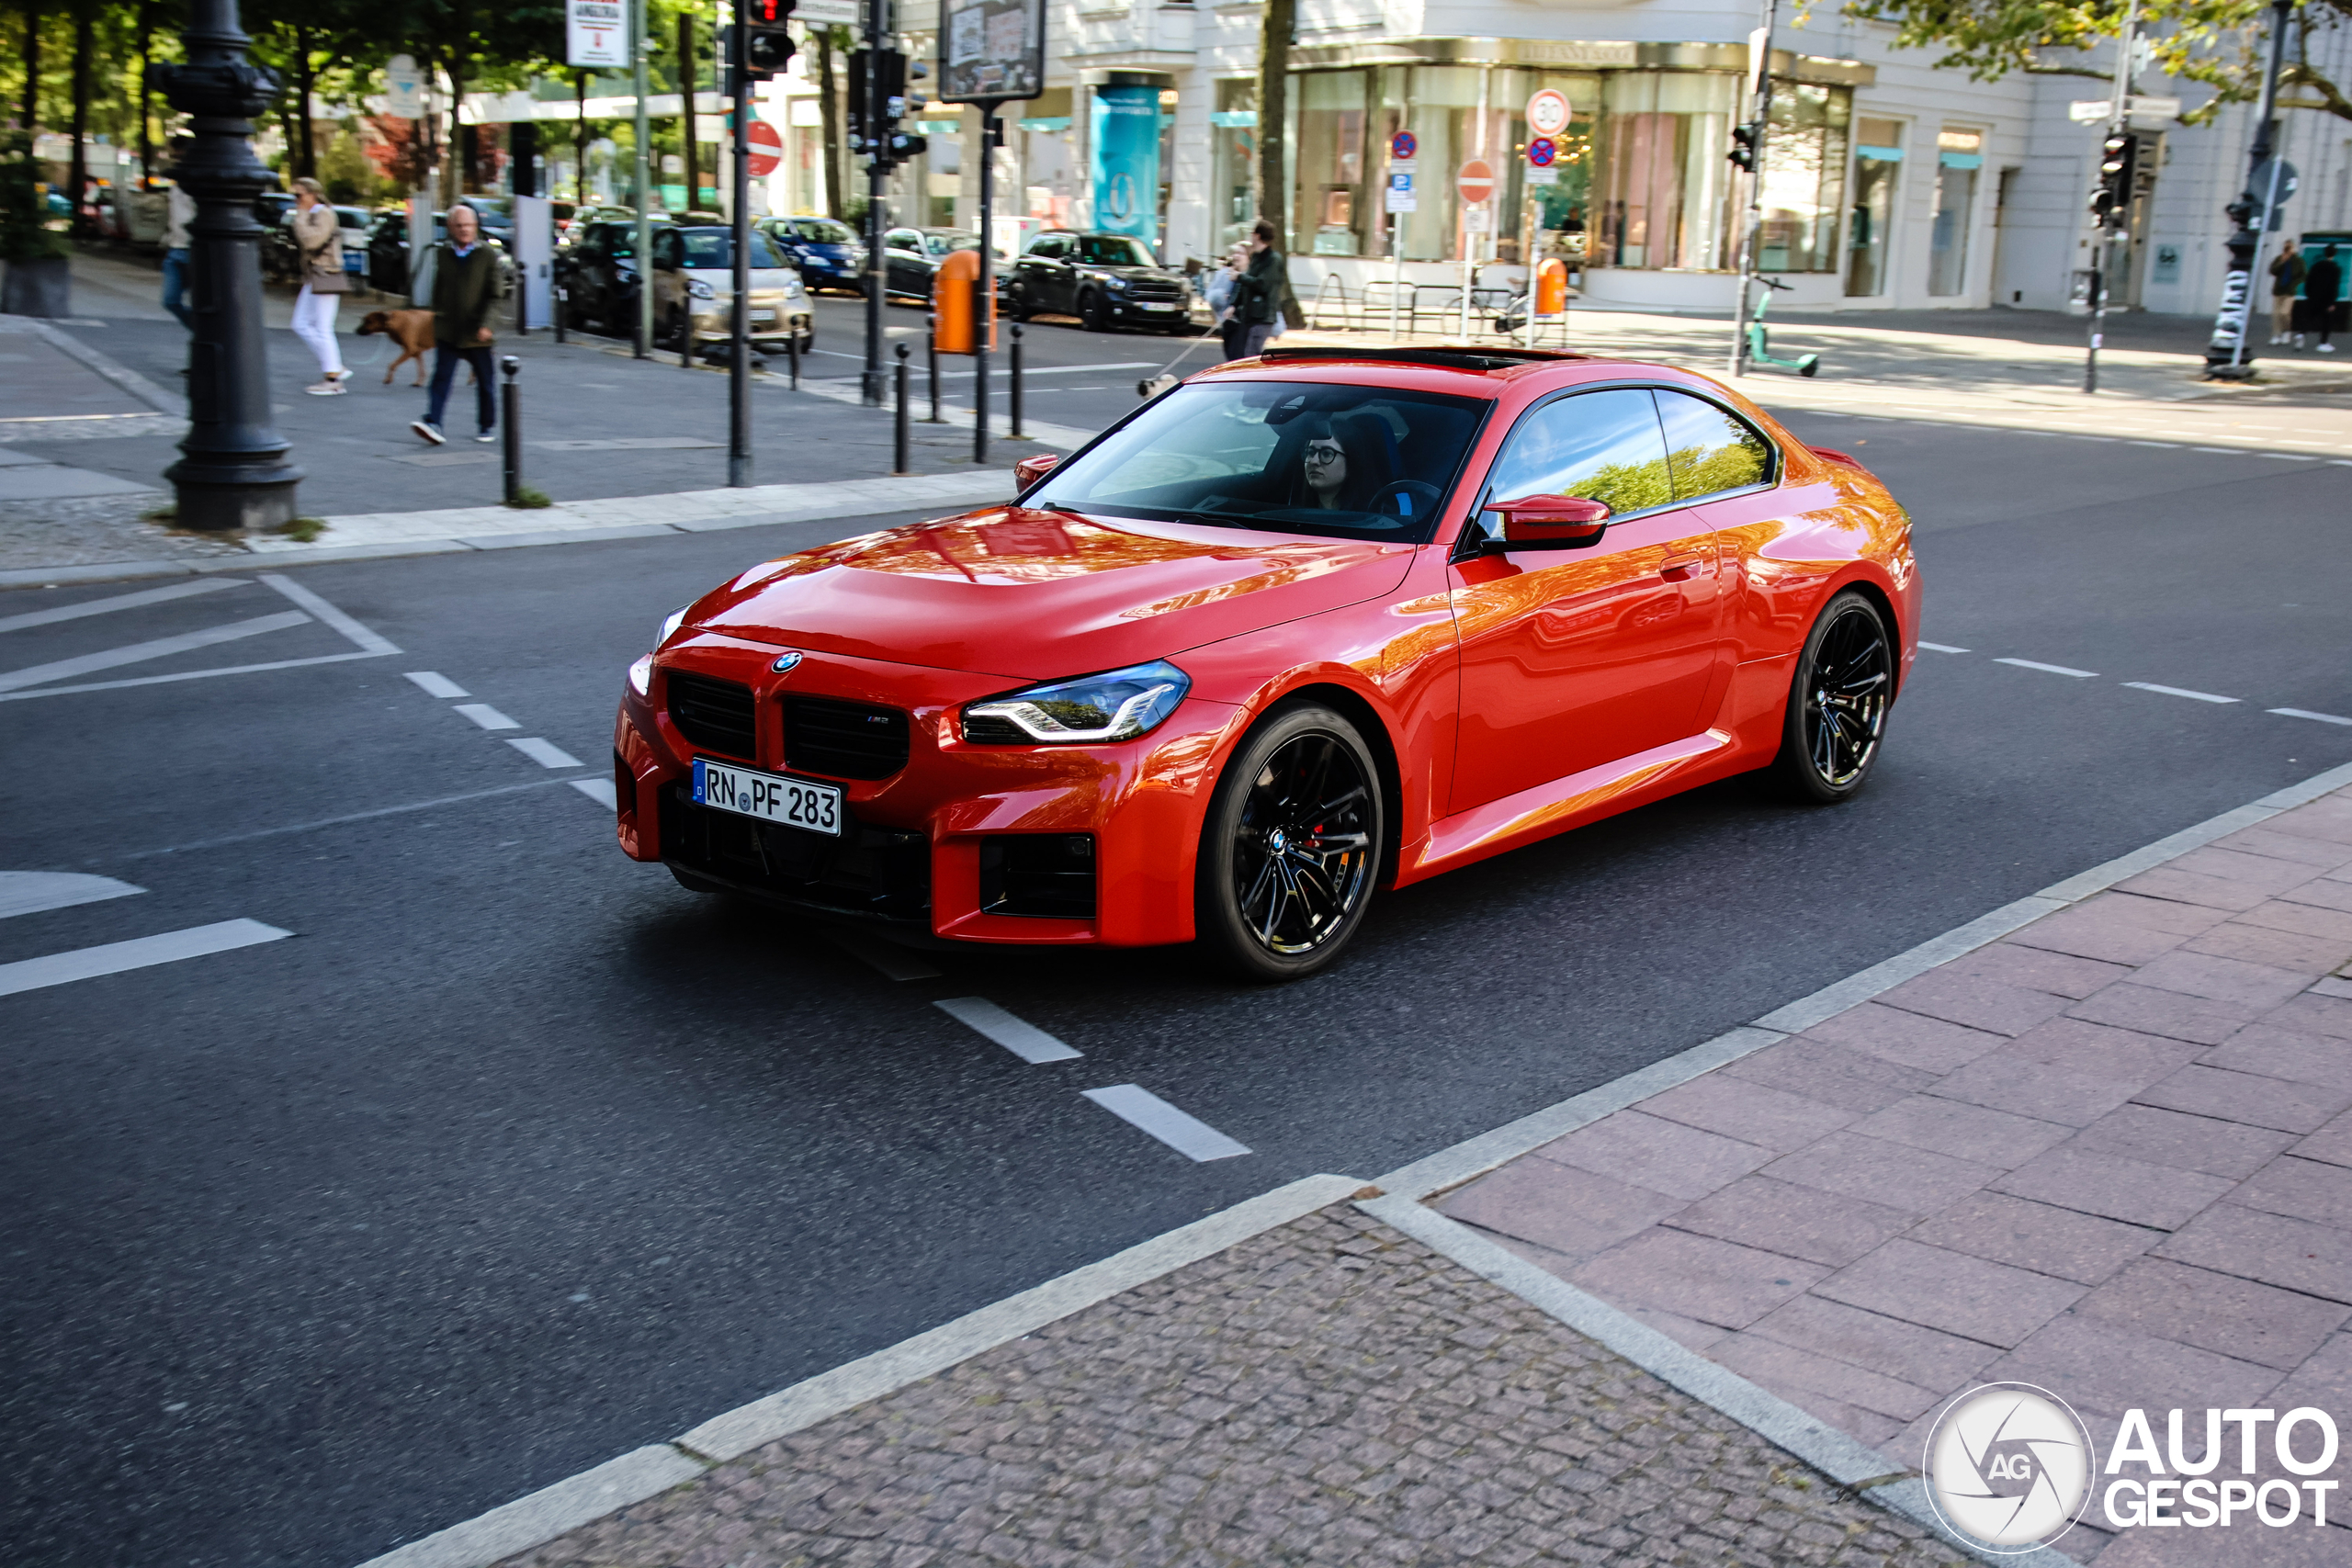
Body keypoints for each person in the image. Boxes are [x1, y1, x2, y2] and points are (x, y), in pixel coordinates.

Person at [411, 202, 502, 445]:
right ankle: (434, 422)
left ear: (475, 227)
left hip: (476, 331)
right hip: (449, 329)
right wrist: (435, 315)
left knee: (486, 382)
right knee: (441, 377)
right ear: (450, 227)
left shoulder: (487, 254)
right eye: (459, 225)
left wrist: (487, 324)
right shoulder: (443, 253)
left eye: (469, 225)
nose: (464, 230)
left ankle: (486, 425)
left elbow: (496, 294)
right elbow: (439, 287)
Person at [288, 177, 351, 394]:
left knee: (322, 328)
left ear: (312, 194)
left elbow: (312, 241)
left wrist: (301, 217)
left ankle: (333, 380)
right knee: (300, 324)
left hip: (326, 274)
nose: (296, 200)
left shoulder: (323, 214)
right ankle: (334, 366)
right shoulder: (315, 214)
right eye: (293, 196)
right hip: (315, 276)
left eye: (298, 195)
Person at [161, 140, 197, 331]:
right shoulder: (176, 183)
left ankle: (204, 332)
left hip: (193, 249)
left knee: (200, 302)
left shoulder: (197, 181)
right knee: (170, 300)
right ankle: (199, 329)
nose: (177, 160)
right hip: (175, 248)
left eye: (179, 155)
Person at [1238, 219, 1286, 359]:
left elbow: (1263, 284)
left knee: (1252, 353)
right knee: (1247, 353)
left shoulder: (1272, 259)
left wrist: (1240, 277)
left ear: (1257, 236)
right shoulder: (1257, 257)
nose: (1251, 236)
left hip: (1263, 315)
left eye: (1252, 233)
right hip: (1251, 315)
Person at [1204, 243, 1249, 361]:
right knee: (1230, 358)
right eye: (1235, 253)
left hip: (1243, 326)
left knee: (1238, 359)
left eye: (1241, 253)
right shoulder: (1224, 274)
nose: (1236, 256)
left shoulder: (1250, 277)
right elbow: (1210, 296)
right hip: (1227, 324)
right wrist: (1220, 297)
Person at [2305, 243, 2343, 355]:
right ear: (2334, 254)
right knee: (2326, 321)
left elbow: (2309, 280)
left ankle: (2301, 333)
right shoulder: (2335, 268)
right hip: (2327, 298)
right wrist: (2332, 302)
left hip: (2314, 296)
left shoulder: (2316, 266)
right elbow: (2334, 285)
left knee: (2311, 317)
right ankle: (2323, 343)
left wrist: (2309, 294)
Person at [2268, 240, 2306, 348]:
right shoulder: (2279, 258)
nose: (2287, 250)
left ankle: (2286, 331)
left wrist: (2295, 283)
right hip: (2278, 290)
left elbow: (2303, 275)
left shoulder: (2298, 261)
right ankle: (2276, 334)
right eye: (2286, 248)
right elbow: (2272, 271)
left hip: (2289, 291)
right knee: (2276, 314)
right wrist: (2282, 262)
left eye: (2289, 248)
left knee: (2284, 312)